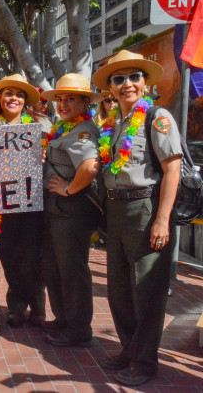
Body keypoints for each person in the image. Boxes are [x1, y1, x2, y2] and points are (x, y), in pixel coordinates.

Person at [92, 50, 182, 386]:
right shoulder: (115, 124)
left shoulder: (157, 118)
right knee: (118, 290)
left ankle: (145, 361)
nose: (127, 84)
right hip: (116, 212)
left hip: (146, 208)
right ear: (111, 89)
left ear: (145, 83)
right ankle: (129, 350)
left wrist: (162, 219)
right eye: (119, 79)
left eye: (134, 77)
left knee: (147, 290)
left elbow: (172, 170)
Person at [40, 74, 103, 348]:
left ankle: (78, 328)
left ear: (84, 102)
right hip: (58, 212)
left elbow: (90, 167)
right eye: (60, 99)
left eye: (70, 99)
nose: (63, 104)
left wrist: (69, 188)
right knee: (56, 268)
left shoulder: (83, 131)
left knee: (72, 270)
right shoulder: (65, 127)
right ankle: (64, 319)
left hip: (71, 213)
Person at [0, 74, 50, 328]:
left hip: (33, 200)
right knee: (10, 257)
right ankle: (16, 307)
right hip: (0, 202)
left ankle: (37, 306)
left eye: (20, 95)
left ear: (26, 101)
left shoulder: (41, 125)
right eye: (8, 93)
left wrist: (45, 155)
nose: (14, 98)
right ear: (0, 99)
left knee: (34, 257)